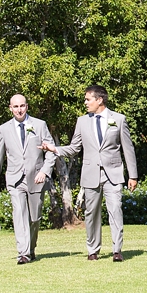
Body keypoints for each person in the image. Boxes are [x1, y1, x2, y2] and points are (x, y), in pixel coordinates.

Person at [44, 85, 137, 261]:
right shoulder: (82, 121)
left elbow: (128, 149)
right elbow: (74, 148)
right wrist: (54, 149)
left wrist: (133, 175)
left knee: (115, 210)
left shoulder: (118, 119)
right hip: (90, 173)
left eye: (88, 99)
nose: (85, 102)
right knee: (91, 212)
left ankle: (117, 250)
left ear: (99, 100)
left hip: (114, 173)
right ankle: (93, 250)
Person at [0, 94, 57, 264]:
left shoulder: (39, 125)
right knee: (19, 214)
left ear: (27, 106)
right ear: (10, 108)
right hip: (14, 179)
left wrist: (45, 171)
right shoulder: (4, 129)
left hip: (36, 178)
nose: (19, 110)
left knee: (34, 218)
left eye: (22, 106)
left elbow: (51, 150)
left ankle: (31, 248)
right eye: (15, 107)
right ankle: (23, 253)